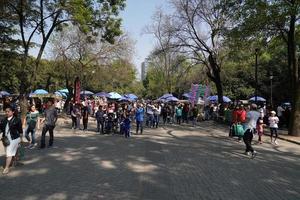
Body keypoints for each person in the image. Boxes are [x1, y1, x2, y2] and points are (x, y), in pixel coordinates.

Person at [0, 105, 23, 174]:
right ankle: (14, 162)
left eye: (8, 111)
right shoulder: (3, 120)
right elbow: (1, 129)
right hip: (6, 139)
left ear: (12, 112)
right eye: (6, 111)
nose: (6, 113)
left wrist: (21, 139)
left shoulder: (17, 120)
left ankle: (6, 168)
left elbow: (20, 130)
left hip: (14, 139)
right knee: (11, 151)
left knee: (9, 154)